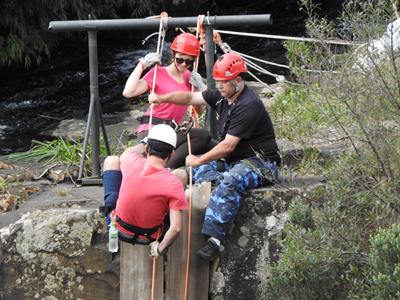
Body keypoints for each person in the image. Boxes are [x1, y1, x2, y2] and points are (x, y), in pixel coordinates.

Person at [149, 52, 281, 261]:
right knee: (192, 171)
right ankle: (168, 219)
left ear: (238, 81)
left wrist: (199, 158)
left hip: (261, 162)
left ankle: (214, 240)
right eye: (218, 82)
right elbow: (190, 97)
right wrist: (162, 98)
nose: (219, 87)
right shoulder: (222, 95)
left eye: (224, 83)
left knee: (230, 179)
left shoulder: (249, 104)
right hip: (233, 162)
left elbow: (228, 146)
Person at [122, 32, 211, 169]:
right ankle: (164, 168)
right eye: (180, 59)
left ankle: (167, 167)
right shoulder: (158, 73)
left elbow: (198, 111)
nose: (184, 64)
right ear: (173, 54)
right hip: (153, 129)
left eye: (189, 61)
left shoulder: (190, 78)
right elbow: (128, 92)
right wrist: (142, 64)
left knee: (206, 139)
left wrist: (199, 89)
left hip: (173, 130)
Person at [102, 124, 188, 257]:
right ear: (172, 154)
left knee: (111, 160)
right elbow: (176, 228)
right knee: (181, 174)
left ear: (147, 148)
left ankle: (110, 213)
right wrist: (159, 250)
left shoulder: (131, 161)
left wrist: (145, 142)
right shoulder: (173, 183)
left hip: (118, 228)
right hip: (150, 236)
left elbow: (128, 152)